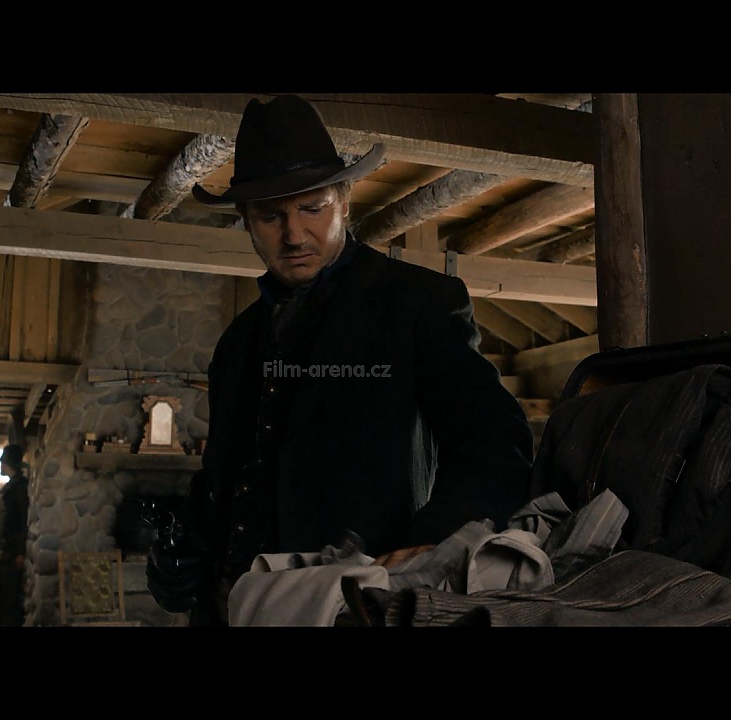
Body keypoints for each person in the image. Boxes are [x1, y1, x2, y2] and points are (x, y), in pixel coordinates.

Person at [146, 94, 536, 626]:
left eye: (313, 208)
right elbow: (225, 476)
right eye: (271, 216)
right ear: (246, 220)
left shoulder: (418, 303)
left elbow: (495, 443)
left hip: (350, 612)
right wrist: (182, 562)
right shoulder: (236, 343)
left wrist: (430, 544)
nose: (294, 235)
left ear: (345, 200)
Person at [0, 444, 29, 627]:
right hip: (9, 547)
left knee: (13, 598)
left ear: (10, 464)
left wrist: (21, 552)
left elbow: (24, 520)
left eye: (3, 463)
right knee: (6, 596)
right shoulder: (12, 487)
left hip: (15, 549)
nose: (1, 466)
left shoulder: (20, 488)